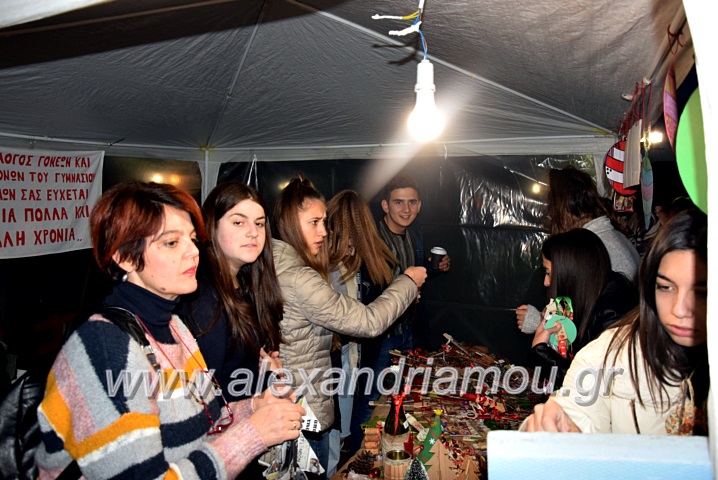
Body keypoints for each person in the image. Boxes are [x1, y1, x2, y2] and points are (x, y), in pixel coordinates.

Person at [36, 181, 305, 479]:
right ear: (125, 257)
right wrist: (252, 435)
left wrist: (254, 407)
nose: (193, 251)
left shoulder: (174, 327)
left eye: (192, 239)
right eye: (171, 243)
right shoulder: (106, 345)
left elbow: (206, 422)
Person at [272, 176, 427, 477]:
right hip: (304, 401)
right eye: (315, 222)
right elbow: (368, 322)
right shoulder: (302, 275)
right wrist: (408, 282)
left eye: (325, 222)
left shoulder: (284, 264)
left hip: (306, 393)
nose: (324, 231)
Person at [523, 209, 707, 435]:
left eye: (701, 292)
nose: (680, 309)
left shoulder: (611, 309)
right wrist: (563, 422)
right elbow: (580, 403)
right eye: (666, 287)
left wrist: (541, 351)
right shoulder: (613, 347)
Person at [178, 181, 285, 478]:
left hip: (243, 440)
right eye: (239, 222)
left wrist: (266, 370)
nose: (253, 232)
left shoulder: (247, 285)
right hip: (219, 451)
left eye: (259, 223)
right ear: (212, 227)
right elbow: (205, 398)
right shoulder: (204, 298)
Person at [324, 189, 400, 472]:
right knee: (338, 430)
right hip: (339, 359)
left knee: (345, 428)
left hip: (354, 357)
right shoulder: (327, 264)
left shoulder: (366, 260)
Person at [516, 166, 640, 334]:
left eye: (552, 209)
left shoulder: (604, 248)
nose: (550, 217)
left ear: (566, 210)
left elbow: (599, 328)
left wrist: (541, 323)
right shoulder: (603, 240)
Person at [526, 229, 637, 388]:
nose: (546, 282)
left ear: (571, 273)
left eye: (549, 273)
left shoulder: (613, 314)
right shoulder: (594, 292)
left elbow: (588, 384)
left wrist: (541, 351)